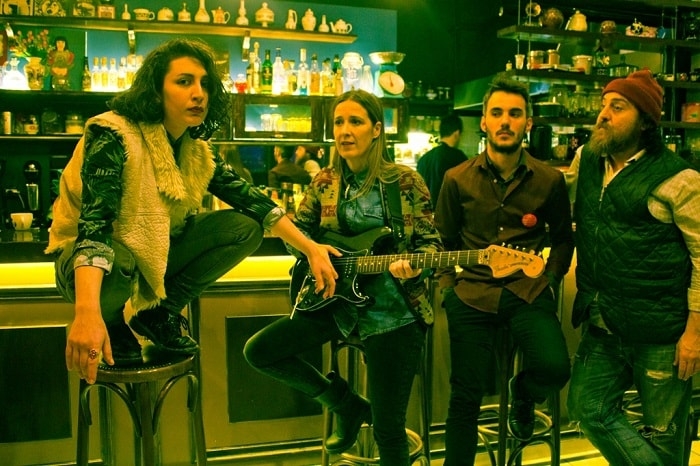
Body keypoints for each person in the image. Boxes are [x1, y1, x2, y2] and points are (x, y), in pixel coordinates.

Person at [45, 38, 338, 386]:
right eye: (184, 81)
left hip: (147, 258)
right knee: (118, 257)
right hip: (83, 264)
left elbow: (251, 200)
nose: (198, 93)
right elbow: (94, 227)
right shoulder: (113, 133)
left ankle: (159, 313)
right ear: (156, 90)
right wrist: (86, 314)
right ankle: (111, 321)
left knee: (244, 228)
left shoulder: (193, 148)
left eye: (204, 83)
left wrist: (310, 248)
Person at [244, 89, 443, 464]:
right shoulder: (325, 182)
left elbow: (432, 244)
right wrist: (312, 251)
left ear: (376, 130)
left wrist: (417, 264)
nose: (345, 130)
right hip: (336, 306)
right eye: (339, 122)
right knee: (260, 351)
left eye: (356, 121)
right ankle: (345, 403)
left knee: (388, 430)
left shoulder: (404, 182)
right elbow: (298, 236)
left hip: (393, 314)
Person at [434, 74, 574, 465]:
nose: (505, 121)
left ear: (527, 122)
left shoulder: (549, 180)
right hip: (471, 295)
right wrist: (448, 288)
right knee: (465, 397)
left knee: (555, 369)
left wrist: (550, 278)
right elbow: (442, 241)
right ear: (484, 121)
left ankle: (523, 393)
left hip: (526, 292)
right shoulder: (456, 179)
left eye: (514, 114)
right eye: (497, 113)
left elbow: (564, 239)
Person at [566, 69, 700, 466]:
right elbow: (553, 190)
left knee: (663, 437)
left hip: (661, 333)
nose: (603, 114)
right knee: (587, 409)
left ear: (645, 122)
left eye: (618, 106)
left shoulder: (681, 179)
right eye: (603, 104)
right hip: (602, 321)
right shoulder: (587, 160)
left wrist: (695, 334)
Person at [416, 113, 467, 207]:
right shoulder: (458, 157)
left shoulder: (424, 158)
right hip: (448, 212)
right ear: (456, 134)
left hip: (426, 211)